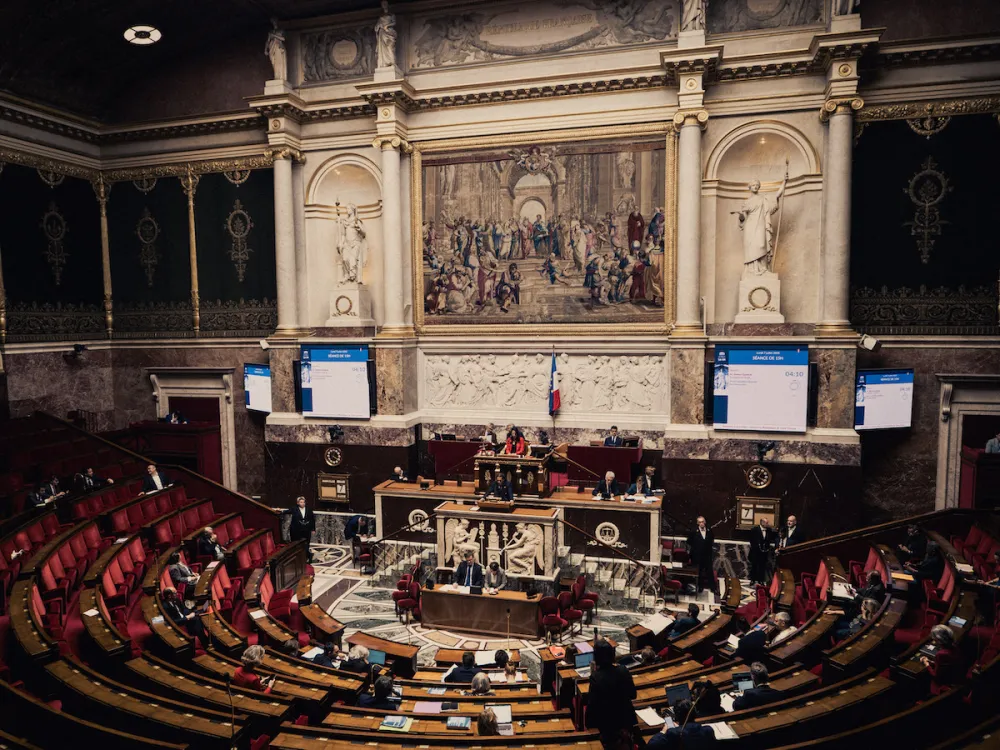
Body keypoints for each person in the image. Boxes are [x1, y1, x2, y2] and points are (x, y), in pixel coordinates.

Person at [585, 639, 637, 750]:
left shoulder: (596, 677)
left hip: (607, 724)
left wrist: (588, 725)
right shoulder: (623, 670)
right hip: (625, 719)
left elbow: (592, 704)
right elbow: (633, 695)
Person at [646, 698, 717, 748]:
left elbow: (651, 745)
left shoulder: (674, 733)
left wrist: (663, 731)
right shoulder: (708, 730)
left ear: (676, 716)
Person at [920, 623, 962, 694]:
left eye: (934, 639)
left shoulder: (941, 654)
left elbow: (935, 675)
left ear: (939, 640)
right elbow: (946, 664)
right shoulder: (955, 647)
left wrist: (926, 663)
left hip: (943, 684)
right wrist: (932, 662)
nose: (933, 640)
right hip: (954, 677)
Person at [686, 516, 715, 593]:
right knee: (700, 572)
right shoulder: (694, 531)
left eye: (702, 522)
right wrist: (696, 547)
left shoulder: (709, 530)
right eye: (700, 522)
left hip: (707, 555)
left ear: (705, 522)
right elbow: (689, 541)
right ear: (697, 523)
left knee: (709, 571)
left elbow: (711, 540)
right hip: (697, 555)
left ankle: (713, 588)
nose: (701, 523)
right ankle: (700, 587)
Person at [749, 518, 777, 585]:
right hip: (755, 552)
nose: (768, 524)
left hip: (764, 552)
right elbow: (751, 540)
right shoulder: (754, 530)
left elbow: (769, 540)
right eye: (766, 523)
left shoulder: (769, 530)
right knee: (754, 566)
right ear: (762, 523)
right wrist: (757, 547)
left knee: (762, 566)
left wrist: (766, 548)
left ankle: (760, 580)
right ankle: (752, 579)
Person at [289, 496, 316, 562]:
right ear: (298, 503)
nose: (303, 503)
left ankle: (308, 556)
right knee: (298, 544)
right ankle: (299, 558)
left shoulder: (309, 510)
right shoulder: (294, 509)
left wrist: (313, 529)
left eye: (303, 502)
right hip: (297, 530)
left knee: (306, 544)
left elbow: (312, 520)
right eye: (301, 502)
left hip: (306, 530)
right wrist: (279, 511)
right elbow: (287, 511)